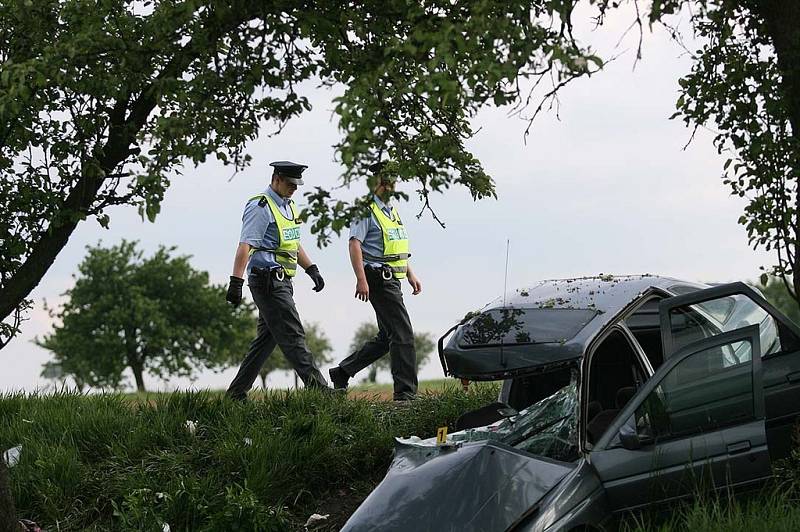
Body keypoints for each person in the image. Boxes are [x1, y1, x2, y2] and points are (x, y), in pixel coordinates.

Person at [225, 160, 330, 400]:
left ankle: (236, 394)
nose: (294, 188)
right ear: (277, 178)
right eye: (291, 183)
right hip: (267, 280)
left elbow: (292, 243)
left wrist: (311, 268)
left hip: (283, 280)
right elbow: (246, 245)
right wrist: (236, 282)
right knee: (293, 334)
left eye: (297, 184)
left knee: (266, 340)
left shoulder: (288, 207)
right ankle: (320, 391)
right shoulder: (261, 207)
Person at [328, 161, 422, 401]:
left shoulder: (392, 211)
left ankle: (342, 372)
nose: (393, 185)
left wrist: (410, 273)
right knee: (403, 335)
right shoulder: (366, 210)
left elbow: (393, 248)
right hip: (378, 278)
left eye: (394, 180)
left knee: (386, 338)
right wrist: (361, 279)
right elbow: (354, 244)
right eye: (389, 180)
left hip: (393, 277)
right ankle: (406, 395)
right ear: (379, 182)